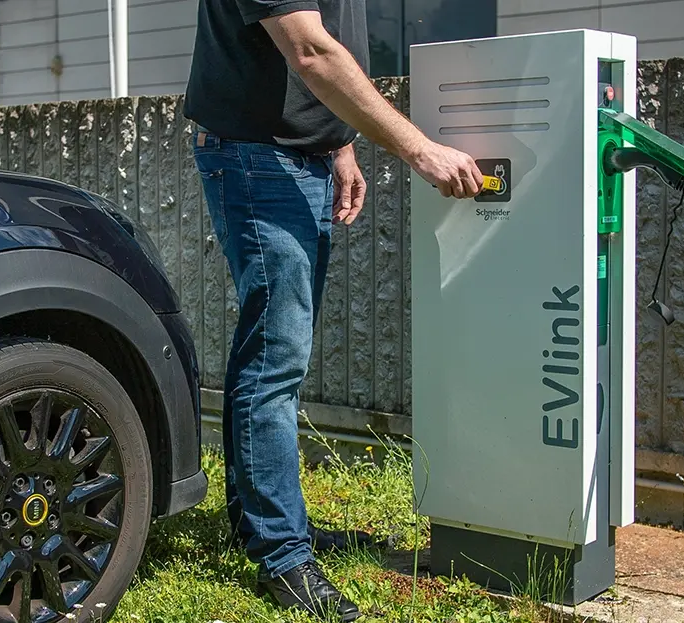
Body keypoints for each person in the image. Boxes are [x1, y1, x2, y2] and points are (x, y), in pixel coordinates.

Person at [183, 0, 484, 619]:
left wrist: (340, 146)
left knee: (270, 352)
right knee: (276, 360)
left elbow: (324, 45)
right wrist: (418, 149)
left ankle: (263, 524)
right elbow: (310, 50)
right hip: (256, 156)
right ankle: (283, 554)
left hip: (302, 157)